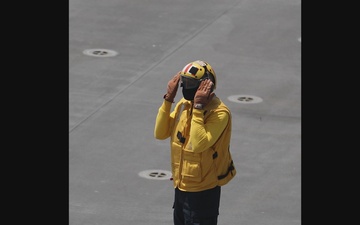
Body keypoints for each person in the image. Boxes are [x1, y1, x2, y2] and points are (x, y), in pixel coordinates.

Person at [154, 60, 236, 225]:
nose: (186, 88)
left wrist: (198, 108)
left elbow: (199, 144)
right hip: (181, 187)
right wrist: (168, 99)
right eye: (185, 82)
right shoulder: (184, 105)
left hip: (203, 192)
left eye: (191, 83)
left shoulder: (219, 113)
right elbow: (160, 133)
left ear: (205, 85)